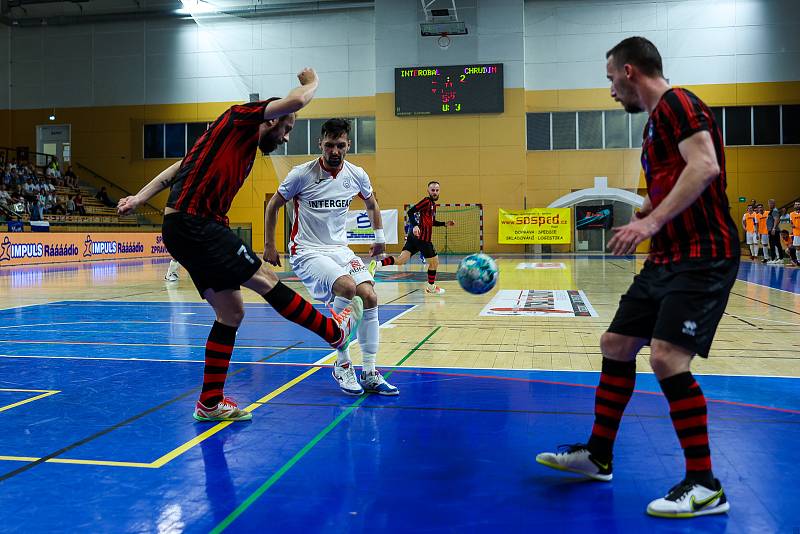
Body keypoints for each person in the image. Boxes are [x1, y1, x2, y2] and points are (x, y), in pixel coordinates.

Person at [536, 36, 739, 518]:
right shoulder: (653, 128)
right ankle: (598, 455)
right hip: (667, 257)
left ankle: (704, 484)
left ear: (629, 71)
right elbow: (673, 182)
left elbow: (705, 166)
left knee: (667, 358)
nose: (610, 90)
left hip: (703, 255)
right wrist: (644, 211)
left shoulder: (678, 104)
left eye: (610, 79)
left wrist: (647, 222)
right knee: (617, 344)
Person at [118, 67, 364, 422]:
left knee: (231, 312)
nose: (285, 139)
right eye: (286, 129)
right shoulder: (237, 119)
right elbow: (296, 99)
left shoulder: (239, 149)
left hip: (184, 228)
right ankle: (334, 333)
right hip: (195, 223)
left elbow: (177, 169)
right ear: (270, 119)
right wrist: (311, 82)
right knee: (264, 278)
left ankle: (209, 402)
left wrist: (140, 198)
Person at [264, 118, 398, 396]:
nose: (334, 151)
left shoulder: (356, 174)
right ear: (320, 145)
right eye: (329, 145)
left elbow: (372, 202)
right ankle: (342, 364)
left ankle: (370, 371)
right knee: (348, 288)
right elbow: (274, 205)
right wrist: (269, 244)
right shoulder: (302, 174)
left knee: (370, 297)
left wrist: (380, 239)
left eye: (340, 145)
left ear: (348, 145)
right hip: (307, 250)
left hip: (339, 249)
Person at [370, 181, 455, 294]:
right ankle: (431, 287)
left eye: (437, 190)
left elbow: (431, 222)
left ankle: (377, 264)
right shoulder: (426, 201)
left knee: (401, 260)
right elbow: (410, 211)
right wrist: (415, 225)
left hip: (414, 238)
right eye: (432, 190)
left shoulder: (433, 205)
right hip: (423, 239)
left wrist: (444, 224)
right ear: (428, 191)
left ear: (439, 191)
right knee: (434, 263)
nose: (435, 192)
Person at [766, 199, 785, 264]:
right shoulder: (772, 211)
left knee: (774, 244)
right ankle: (778, 258)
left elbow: (776, 219)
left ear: (774, 204)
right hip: (772, 230)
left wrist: (773, 228)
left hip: (773, 230)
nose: (770, 204)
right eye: (769, 203)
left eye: (771, 203)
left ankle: (775, 259)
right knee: (776, 244)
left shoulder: (774, 210)